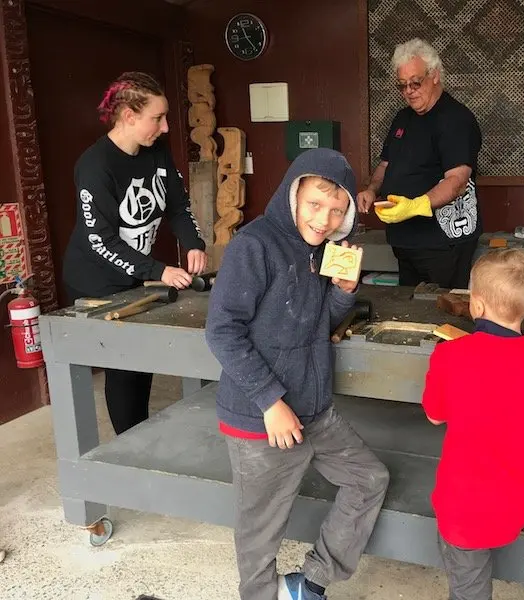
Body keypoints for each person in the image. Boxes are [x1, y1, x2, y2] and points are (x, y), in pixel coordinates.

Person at [205, 148, 390, 600]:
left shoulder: (323, 252)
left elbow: (316, 324)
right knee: (259, 536)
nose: (324, 219)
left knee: (370, 479)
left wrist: (344, 293)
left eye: (337, 211)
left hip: (314, 410)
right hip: (260, 418)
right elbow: (222, 331)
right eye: (315, 205)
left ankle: (311, 582)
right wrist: (270, 401)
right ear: (293, 194)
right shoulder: (255, 245)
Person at [421, 249, 524, 600]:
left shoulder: (451, 355)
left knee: (469, 588)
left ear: (476, 305)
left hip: (462, 510)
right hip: (519, 503)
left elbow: (435, 415)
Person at [62, 71, 208, 435]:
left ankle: (140, 434)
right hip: (95, 280)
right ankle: (130, 441)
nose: (164, 128)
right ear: (128, 115)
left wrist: (193, 242)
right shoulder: (95, 166)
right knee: (123, 364)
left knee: (142, 358)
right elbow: (102, 241)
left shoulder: (156, 151)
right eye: (156, 118)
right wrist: (159, 270)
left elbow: (177, 205)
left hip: (137, 273)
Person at [357, 38, 482, 289]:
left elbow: (457, 182)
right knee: (409, 311)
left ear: (434, 75)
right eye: (402, 86)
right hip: (404, 240)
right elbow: (385, 165)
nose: (409, 91)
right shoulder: (403, 118)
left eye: (415, 83)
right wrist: (372, 189)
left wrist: (415, 206)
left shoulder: (456, 119)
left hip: (442, 242)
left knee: (442, 312)